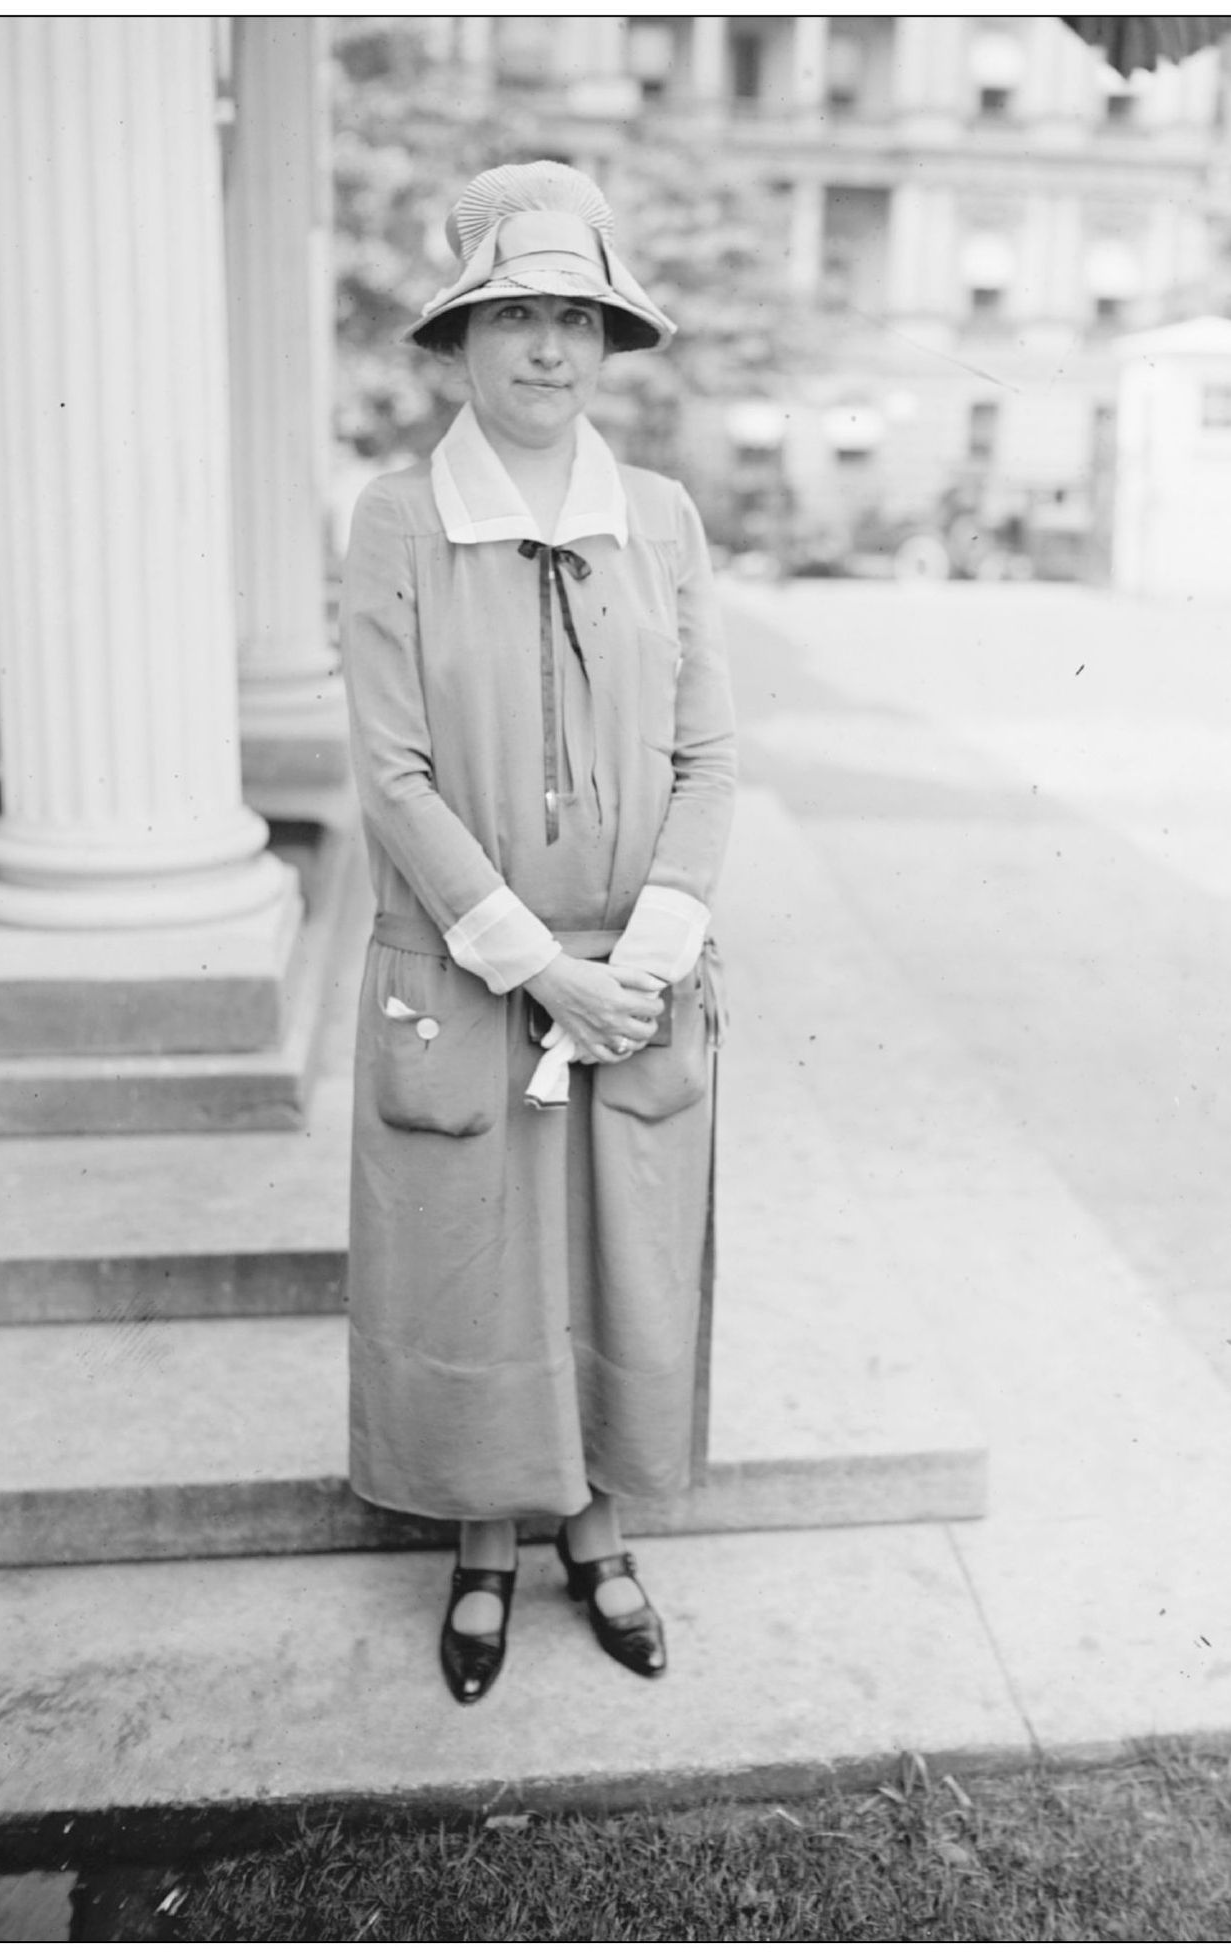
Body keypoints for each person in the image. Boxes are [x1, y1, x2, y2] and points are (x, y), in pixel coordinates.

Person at [339, 162, 737, 1706]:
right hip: (468, 968)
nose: (547, 349)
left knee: (625, 1253)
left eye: (574, 316)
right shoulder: (396, 521)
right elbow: (390, 771)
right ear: (462, 341)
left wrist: (644, 954)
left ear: (606, 342)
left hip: (636, 977)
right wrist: (530, 958)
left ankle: (604, 1533)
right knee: (475, 1262)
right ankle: (484, 1549)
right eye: (514, 316)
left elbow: (705, 754)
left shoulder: (661, 519)